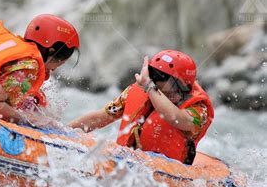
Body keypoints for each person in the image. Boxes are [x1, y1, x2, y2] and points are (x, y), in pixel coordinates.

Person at [69, 50, 214, 165]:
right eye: (152, 75)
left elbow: (175, 118)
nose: (154, 81)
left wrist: (150, 86)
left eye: (160, 78)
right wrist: (65, 131)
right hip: (131, 161)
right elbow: (100, 117)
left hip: (168, 171)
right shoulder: (138, 92)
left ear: (180, 84)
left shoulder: (199, 110)